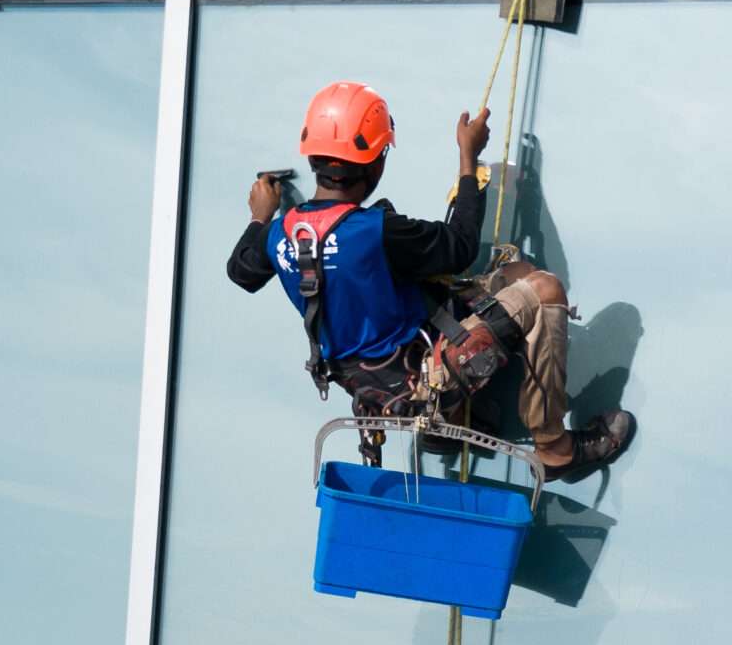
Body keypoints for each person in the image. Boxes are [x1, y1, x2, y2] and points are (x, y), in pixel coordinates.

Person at [230, 80, 637, 481]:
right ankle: (555, 449)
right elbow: (459, 248)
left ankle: (459, 420)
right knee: (544, 290)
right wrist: (468, 158)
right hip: (421, 384)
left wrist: (260, 215)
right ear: (377, 162)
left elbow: (242, 272)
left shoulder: (280, 234)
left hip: (374, 385)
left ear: (313, 157)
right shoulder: (376, 231)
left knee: (514, 276)